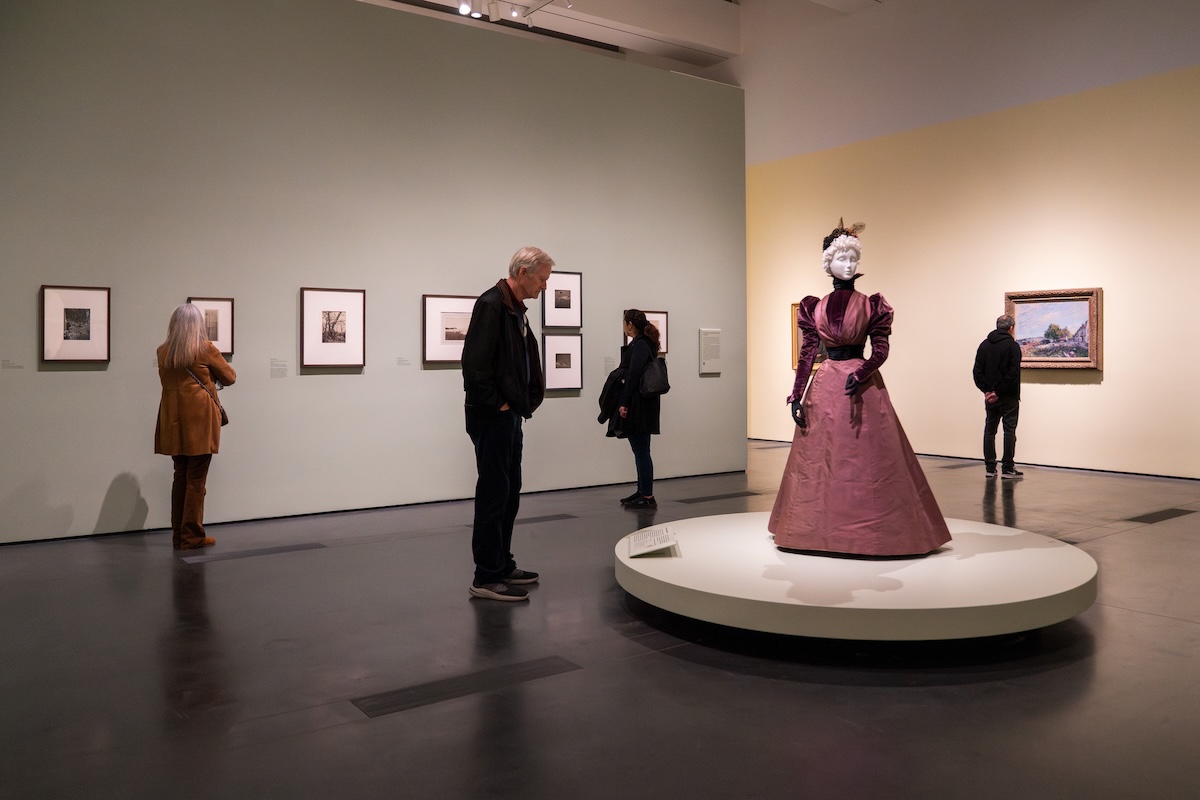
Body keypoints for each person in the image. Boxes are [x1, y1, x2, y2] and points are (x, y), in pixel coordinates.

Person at [768, 221, 951, 557]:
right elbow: (808, 354)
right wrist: (796, 395)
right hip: (825, 386)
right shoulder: (814, 307)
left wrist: (863, 371)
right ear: (828, 263)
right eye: (842, 258)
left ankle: (875, 532)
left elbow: (880, 350)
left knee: (865, 459)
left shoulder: (872, 304)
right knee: (821, 460)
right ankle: (813, 529)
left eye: (854, 258)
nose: (849, 264)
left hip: (861, 386)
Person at [461, 246, 554, 601]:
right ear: (523, 272)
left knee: (509, 490)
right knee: (494, 493)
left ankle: (501, 564)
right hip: (493, 416)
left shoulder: (514, 309)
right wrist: (497, 405)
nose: (544, 286)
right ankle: (485, 576)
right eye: (542, 279)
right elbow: (474, 365)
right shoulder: (492, 305)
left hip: (509, 415)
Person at [155, 304, 236, 550]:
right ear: (198, 325)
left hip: (172, 418)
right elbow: (230, 377)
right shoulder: (205, 348)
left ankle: (179, 535)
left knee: (180, 475)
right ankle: (192, 537)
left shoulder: (163, 351)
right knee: (196, 479)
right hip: (199, 419)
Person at [617, 309, 662, 510]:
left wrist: (624, 403)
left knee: (642, 451)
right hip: (644, 403)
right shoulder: (642, 343)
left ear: (630, 324)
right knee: (640, 450)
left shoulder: (641, 344)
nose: (623, 326)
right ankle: (642, 491)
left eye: (624, 323)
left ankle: (648, 496)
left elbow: (633, 375)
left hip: (639, 404)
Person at [973, 314, 1023, 478]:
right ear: (1011, 328)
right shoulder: (1012, 346)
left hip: (990, 398)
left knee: (990, 431)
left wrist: (988, 391)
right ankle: (1007, 468)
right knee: (1009, 432)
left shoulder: (984, 345)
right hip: (1008, 396)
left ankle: (990, 468)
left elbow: (977, 372)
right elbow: (1013, 374)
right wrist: (998, 392)